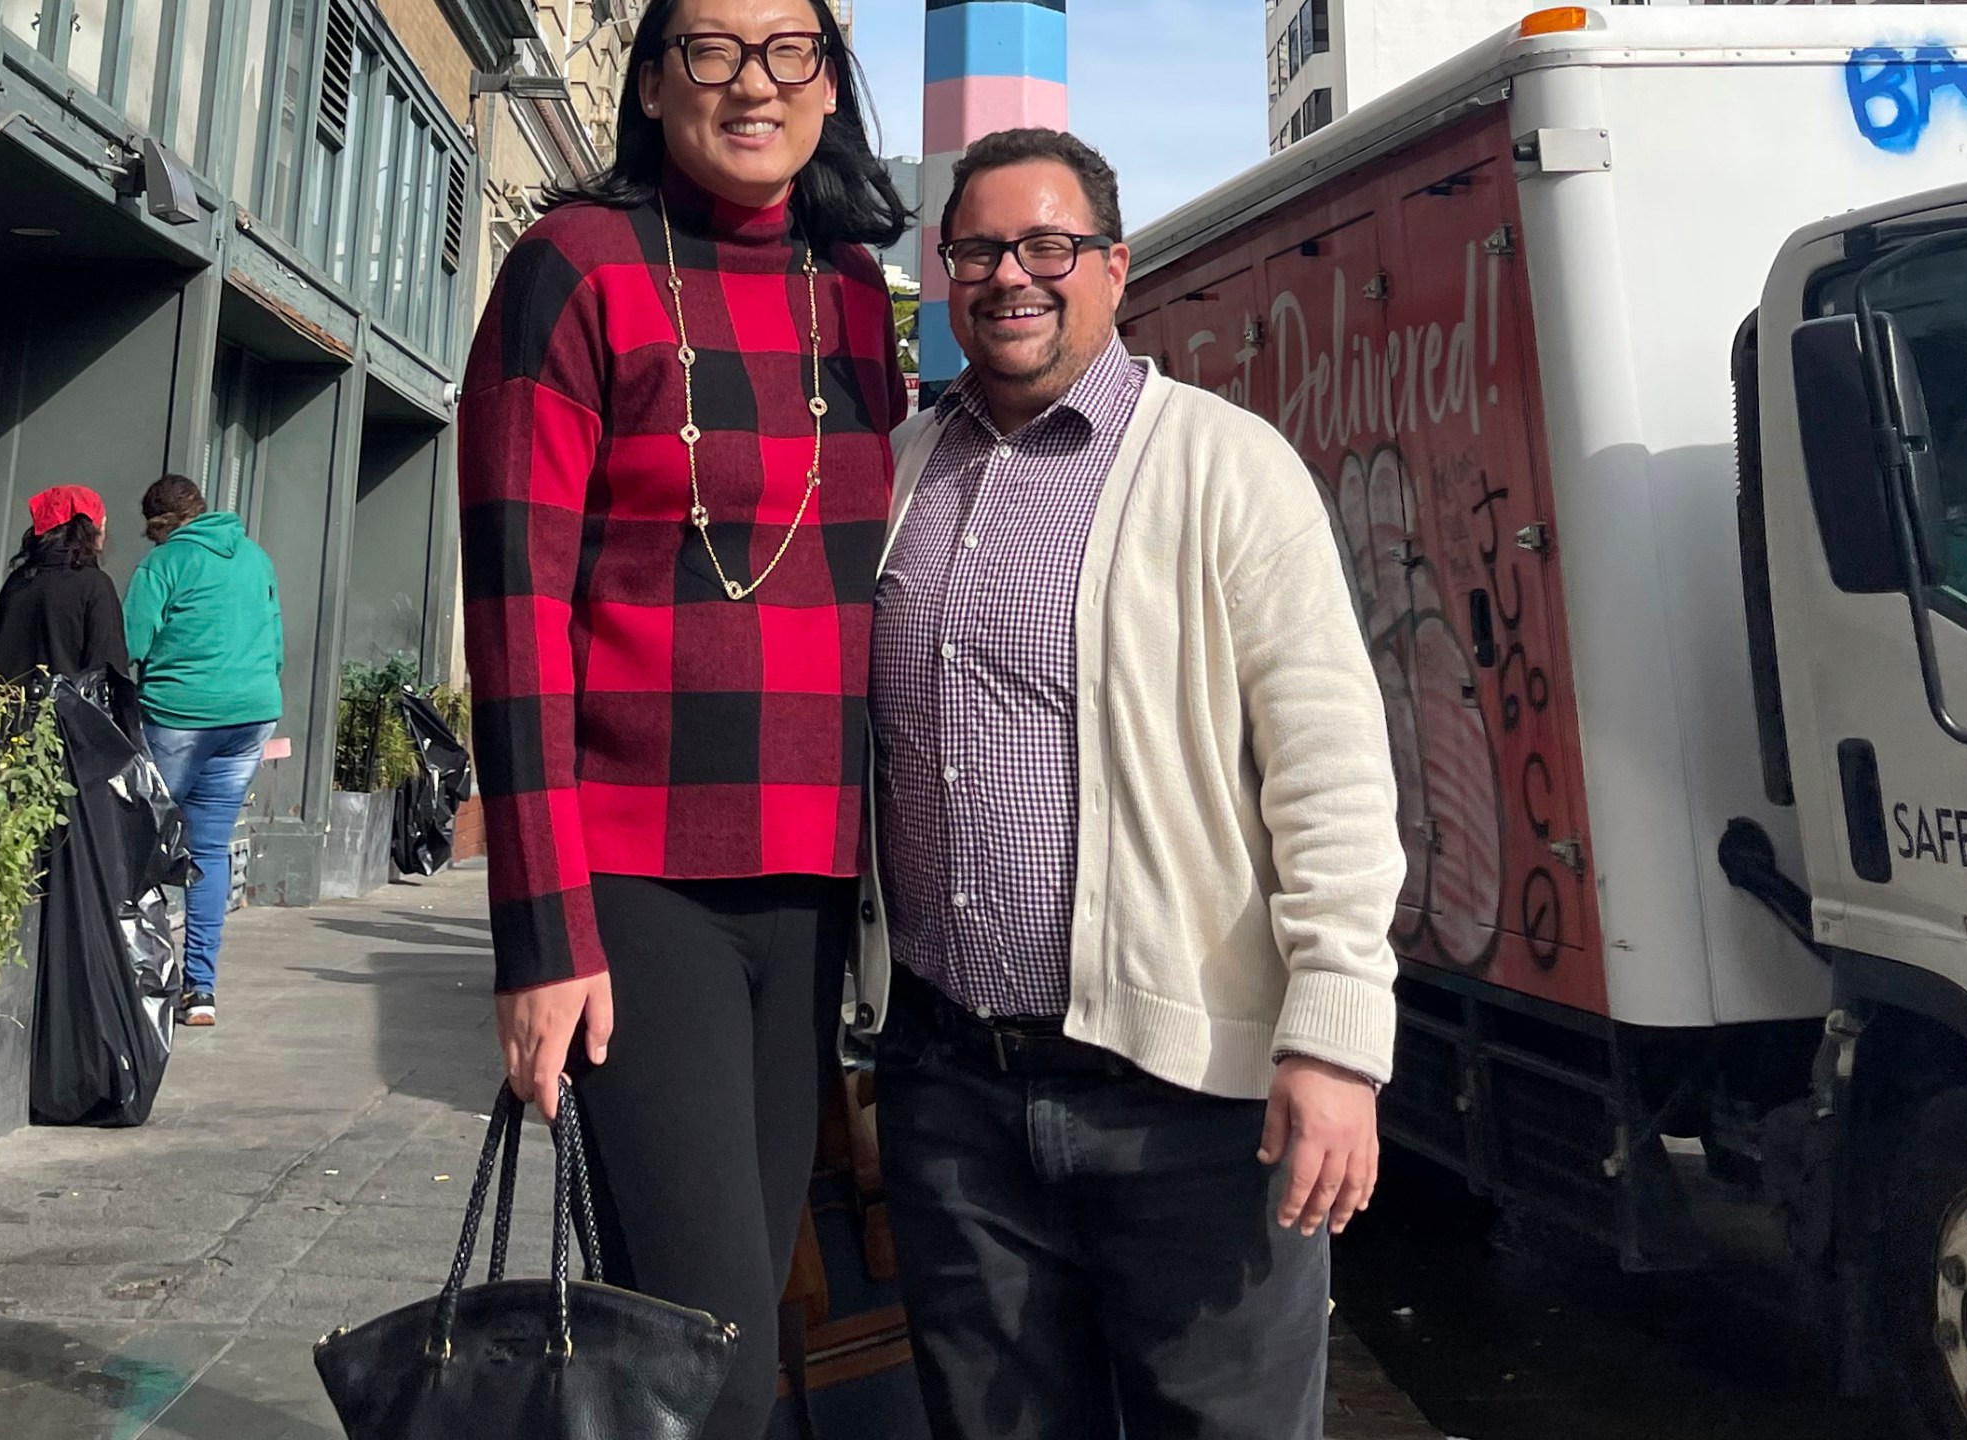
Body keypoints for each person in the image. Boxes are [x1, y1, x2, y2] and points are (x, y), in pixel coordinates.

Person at [857, 128, 1405, 1440]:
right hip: (954, 1093)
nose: (1011, 276)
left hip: (1190, 1106)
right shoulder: (899, 473)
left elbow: (1330, 768)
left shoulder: (1224, 466)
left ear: (1114, 268)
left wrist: (1335, 1042)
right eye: (978, 249)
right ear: (945, 273)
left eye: (1047, 246)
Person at [456, 0, 906, 1434]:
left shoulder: (850, 291)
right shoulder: (571, 270)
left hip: (814, 886)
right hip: (642, 880)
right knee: (705, 1357)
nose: (752, 82)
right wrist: (541, 934)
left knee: (751, 1341)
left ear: (830, 89)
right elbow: (514, 617)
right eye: (713, 48)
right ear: (654, 82)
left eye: (790, 51)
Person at [126, 474, 285, 1030]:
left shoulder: (164, 564)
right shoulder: (255, 557)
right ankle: (201, 991)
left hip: (181, 713)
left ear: (158, 522)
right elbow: (275, 636)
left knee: (142, 837)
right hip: (252, 713)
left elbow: (131, 643)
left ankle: (137, 974)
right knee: (210, 850)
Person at [0, 485, 128, 686]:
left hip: (8, 712)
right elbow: (107, 670)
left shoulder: (17, 581)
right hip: (64, 714)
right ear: (94, 529)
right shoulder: (95, 585)